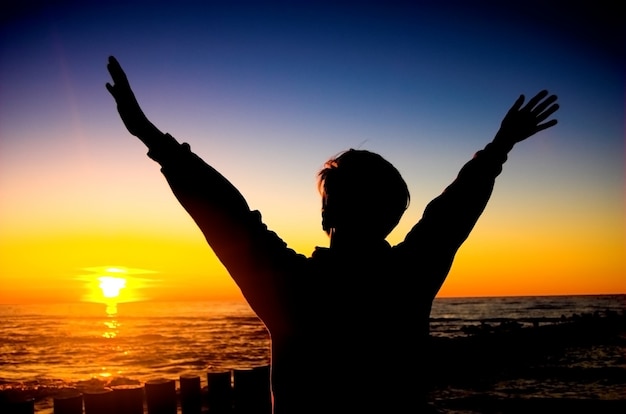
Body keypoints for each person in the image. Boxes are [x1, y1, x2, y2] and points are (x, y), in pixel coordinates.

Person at [106, 55, 558, 413]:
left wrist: (151, 136)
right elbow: (452, 212)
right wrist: (498, 148)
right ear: (395, 216)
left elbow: (226, 213)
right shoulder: (408, 276)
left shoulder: (288, 285)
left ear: (327, 215)